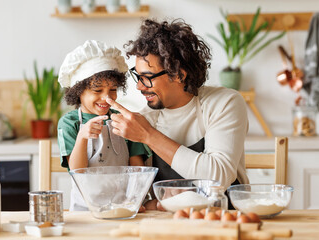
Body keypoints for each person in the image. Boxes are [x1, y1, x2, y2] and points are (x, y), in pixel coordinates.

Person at [105, 19, 249, 210]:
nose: (139, 86)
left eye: (147, 78)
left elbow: (218, 179)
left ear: (179, 75)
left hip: (226, 220)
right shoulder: (146, 119)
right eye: (138, 77)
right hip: (165, 225)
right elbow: (138, 197)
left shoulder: (223, 103)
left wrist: (148, 136)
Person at [57, 40, 150, 211]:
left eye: (113, 90)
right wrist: (83, 136)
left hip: (123, 208)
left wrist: (138, 199)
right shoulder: (70, 123)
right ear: (78, 91)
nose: (107, 98)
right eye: (97, 90)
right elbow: (77, 171)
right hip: (85, 211)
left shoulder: (124, 120)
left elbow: (137, 167)